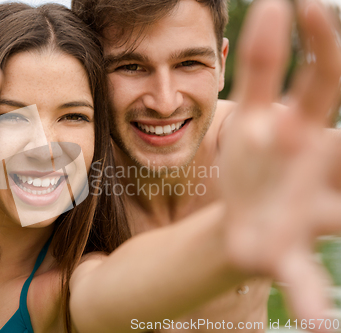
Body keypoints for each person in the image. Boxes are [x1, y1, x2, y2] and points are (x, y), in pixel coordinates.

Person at [0, 0, 341, 333]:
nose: (165, 102)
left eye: (73, 116)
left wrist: (229, 234)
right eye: (131, 66)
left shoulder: (67, 284)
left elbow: (109, 293)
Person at [69, 0, 341, 330]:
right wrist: (228, 234)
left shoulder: (255, 145)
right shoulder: (75, 177)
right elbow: (89, 307)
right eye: (130, 66)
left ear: (222, 65)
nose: (165, 102)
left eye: (190, 63)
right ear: (90, 73)